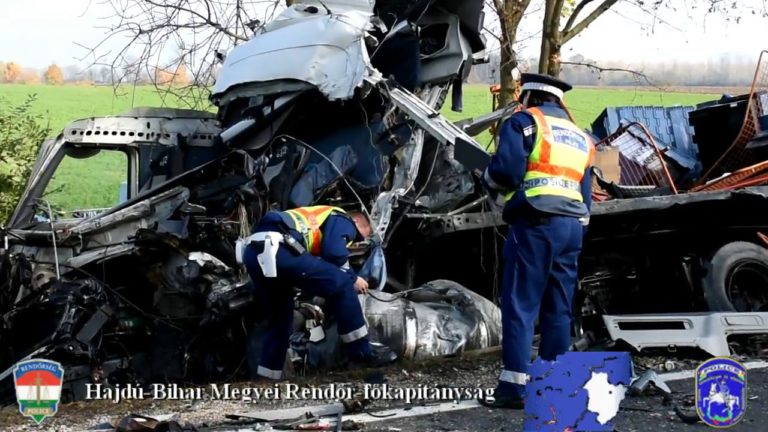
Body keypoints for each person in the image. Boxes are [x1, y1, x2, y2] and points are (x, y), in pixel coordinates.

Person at [480, 73, 595, 408]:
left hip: (535, 222)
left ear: (529, 96)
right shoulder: (581, 137)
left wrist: (486, 178)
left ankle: (513, 389)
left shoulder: (525, 123)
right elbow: (585, 192)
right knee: (558, 308)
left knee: (520, 305)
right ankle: (554, 386)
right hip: (572, 226)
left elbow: (507, 173)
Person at [238, 205, 397, 380]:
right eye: (359, 237)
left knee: (280, 319)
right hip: (279, 249)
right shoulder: (342, 218)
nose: (354, 242)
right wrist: (352, 278)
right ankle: (361, 353)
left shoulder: (313, 216)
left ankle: (267, 378)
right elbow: (334, 252)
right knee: (342, 284)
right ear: (357, 221)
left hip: (254, 254)